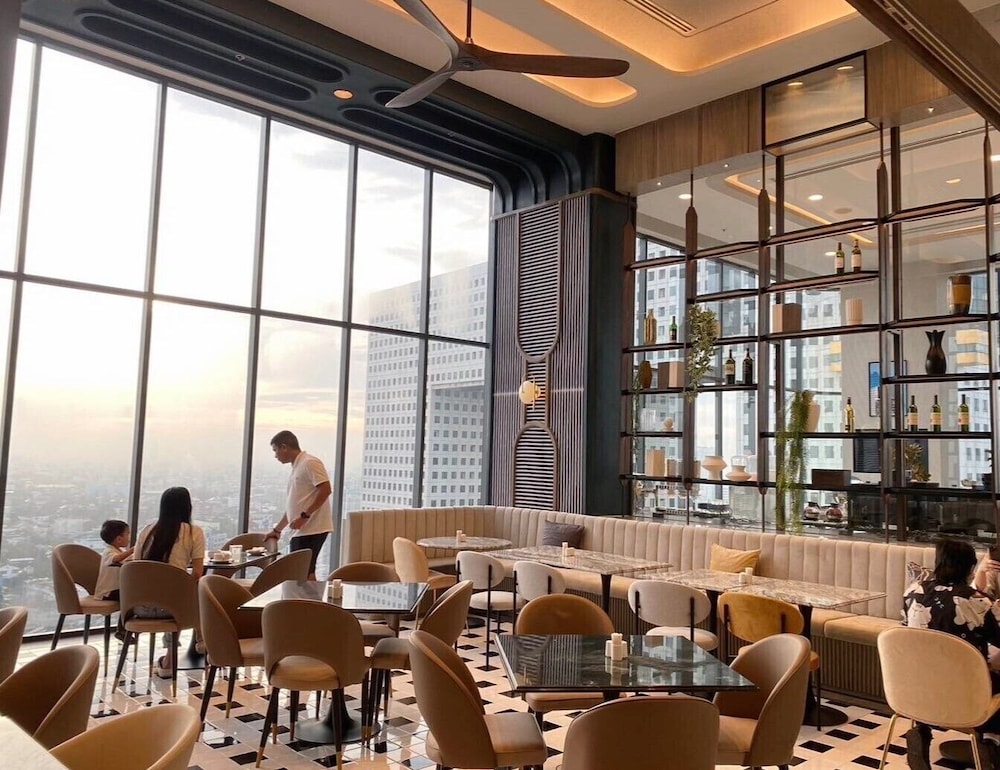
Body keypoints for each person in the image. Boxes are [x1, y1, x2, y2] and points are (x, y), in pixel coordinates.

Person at [902, 539, 1000, 769]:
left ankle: (921, 731)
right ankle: (989, 743)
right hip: (968, 691)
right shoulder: (977, 602)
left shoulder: (912, 592)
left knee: (934, 670)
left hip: (915, 686)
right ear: (970, 568)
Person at [132, 486, 206, 676]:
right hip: (173, 610)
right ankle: (198, 642)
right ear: (188, 507)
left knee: (175, 595)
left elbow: (134, 568)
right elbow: (198, 573)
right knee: (189, 594)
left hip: (140, 608)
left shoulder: (147, 531)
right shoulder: (194, 532)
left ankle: (170, 660)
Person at [266, 430, 332, 581]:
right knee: (305, 573)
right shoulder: (298, 466)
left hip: (312, 528)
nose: (275, 456)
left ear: (284, 447)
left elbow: (326, 489)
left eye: (275, 450)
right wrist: (277, 530)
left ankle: (309, 597)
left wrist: (305, 516)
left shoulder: (310, 463)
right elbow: (294, 505)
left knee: (302, 573)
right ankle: (310, 596)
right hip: (303, 529)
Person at [94, 519, 132, 601]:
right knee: (134, 593)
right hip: (107, 592)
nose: (129, 537)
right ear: (119, 539)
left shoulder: (120, 551)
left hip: (115, 589)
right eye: (128, 534)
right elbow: (115, 559)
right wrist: (132, 550)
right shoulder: (108, 551)